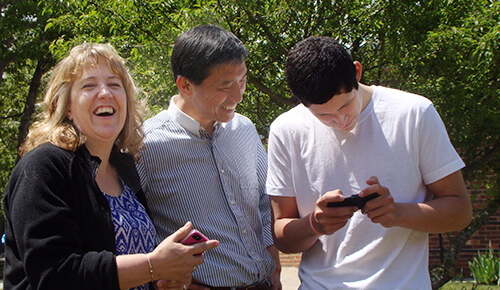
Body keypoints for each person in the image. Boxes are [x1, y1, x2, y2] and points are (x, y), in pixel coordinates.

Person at [2, 43, 219, 290]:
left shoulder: (125, 168)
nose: (105, 93)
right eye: (89, 85)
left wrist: (165, 278)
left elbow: (134, 268)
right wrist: (152, 265)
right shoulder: (44, 167)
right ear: (67, 108)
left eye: (115, 85)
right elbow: (55, 274)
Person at [266, 36, 472, 289]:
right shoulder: (286, 130)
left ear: (357, 72)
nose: (340, 121)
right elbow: (282, 236)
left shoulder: (414, 113)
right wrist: (314, 224)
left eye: (345, 105)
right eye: (323, 115)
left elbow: (460, 211)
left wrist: (397, 213)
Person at [136, 25, 281, 290]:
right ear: (185, 85)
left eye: (243, 80)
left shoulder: (245, 129)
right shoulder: (145, 145)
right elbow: (131, 226)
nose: (238, 96)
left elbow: (264, 199)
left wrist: (274, 260)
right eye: (225, 85)